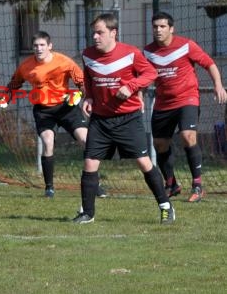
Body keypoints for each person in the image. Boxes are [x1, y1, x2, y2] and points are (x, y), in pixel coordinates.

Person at [74, 12, 174, 225]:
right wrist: (89, 97)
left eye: (100, 33)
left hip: (128, 118)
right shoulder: (88, 54)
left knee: (143, 162)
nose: (95, 37)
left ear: (113, 33)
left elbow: (151, 74)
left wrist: (131, 87)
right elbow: (89, 78)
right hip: (100, 120)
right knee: (90, 163)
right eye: (93, 33)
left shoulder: (131, 53)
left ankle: (166, 207)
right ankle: (88, 214)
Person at [3, 31, 107, 198]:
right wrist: (5, 99)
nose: (39, 48)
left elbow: (81, 82)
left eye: (42, 45)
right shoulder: (26, 66)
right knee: (48, 142)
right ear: (32, 48)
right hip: (44, 111)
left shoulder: (64, 62)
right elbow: (14, 84)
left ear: (50, 46)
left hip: (66, 108)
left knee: (86, 140)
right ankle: (49, 187)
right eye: (36, 45)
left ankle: (95, 184)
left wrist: (86, 97)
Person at [144, 12, 227, 202]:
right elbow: (140, 75)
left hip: (187, 99)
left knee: (187, 136)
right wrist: (138, 95)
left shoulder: (186, 45)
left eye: (162, 26)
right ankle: (171, 184)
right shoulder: (148, 52)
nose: (158, 30)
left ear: (171, 29)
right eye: (155, 26)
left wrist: (218, 85)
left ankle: (198, 186)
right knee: (160, 144)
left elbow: (210, 63)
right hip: (163, 103)